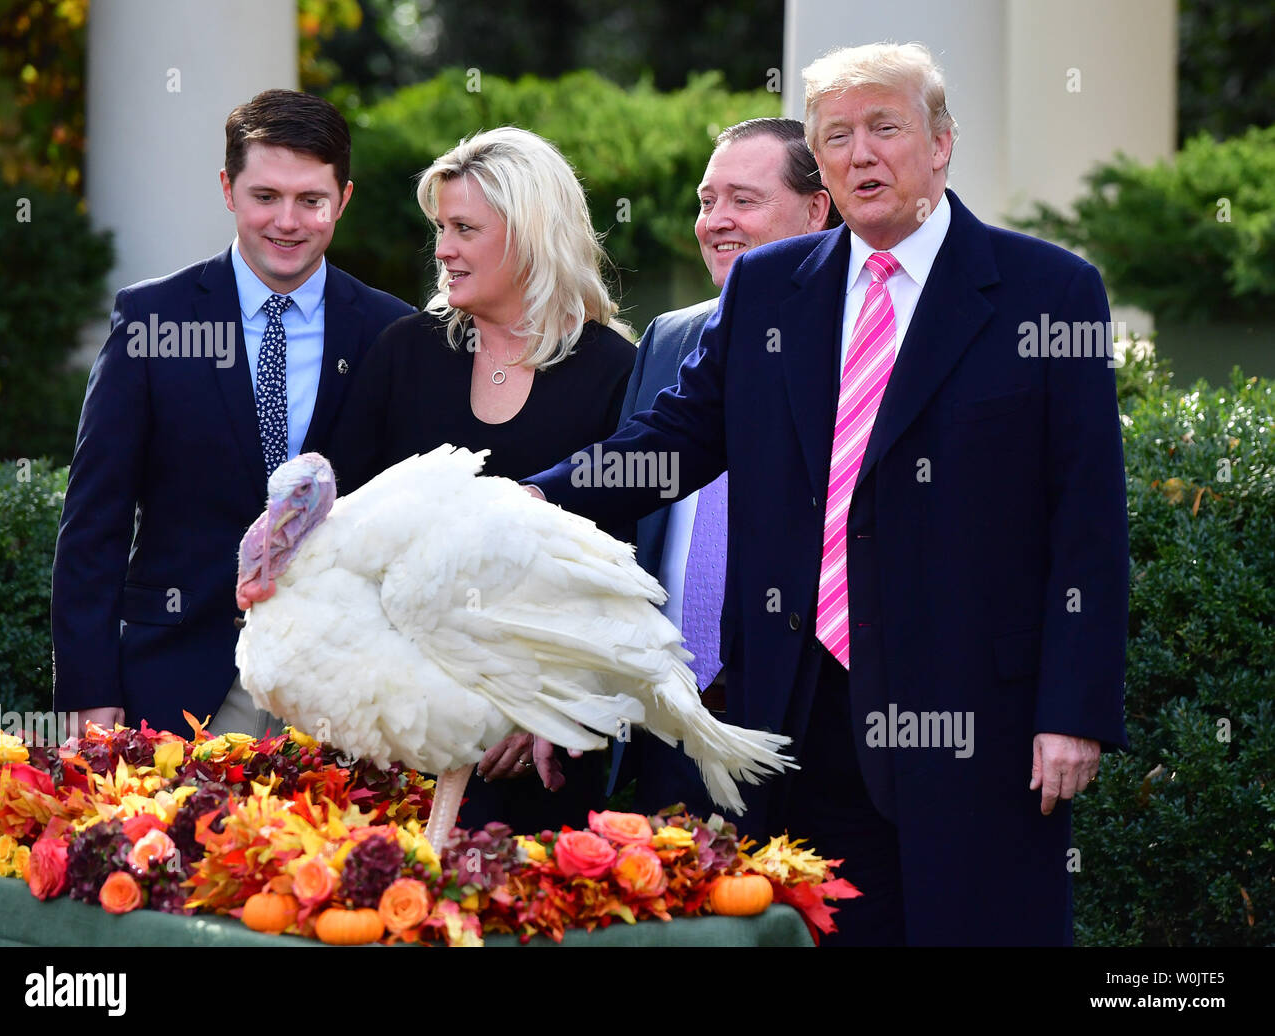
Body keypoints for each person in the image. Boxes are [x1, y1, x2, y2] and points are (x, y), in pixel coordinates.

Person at [525, 42, 1128, 946]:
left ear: (941, 143)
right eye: (836, 136)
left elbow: (1088, 517)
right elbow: (677, 440)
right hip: (795, 719)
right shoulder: (771, 290)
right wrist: (524, 505)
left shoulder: (1051, 291)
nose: (860, 154)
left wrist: (1073, 715)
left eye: (885, 128)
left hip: (976, 728)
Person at [52, 89, 415, 740]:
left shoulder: (394, 334)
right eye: (265, 196)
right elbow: (93, 523)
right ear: (228, 189)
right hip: (176, 688)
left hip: (344, 697)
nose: (287, 220)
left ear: (344, 199)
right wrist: (89, 690)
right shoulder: (152, 321)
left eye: (312, 199)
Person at [326, 126, 637, 834]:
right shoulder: (405, 352)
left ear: (530, 234)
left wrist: (543, 704)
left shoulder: (616, 373)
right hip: (390, 739)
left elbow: (622, 576)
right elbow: (340, 538)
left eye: (464, 228)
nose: (441, 250)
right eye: (441, 227)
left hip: (536, 752)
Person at [612, 117, 838, 815]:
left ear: (816, 209)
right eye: (708, 202)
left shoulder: (860, 347)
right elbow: (631, 525)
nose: (716, 222)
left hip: (801, 735)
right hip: (662, 728)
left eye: (743, 200)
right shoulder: (669, 338)